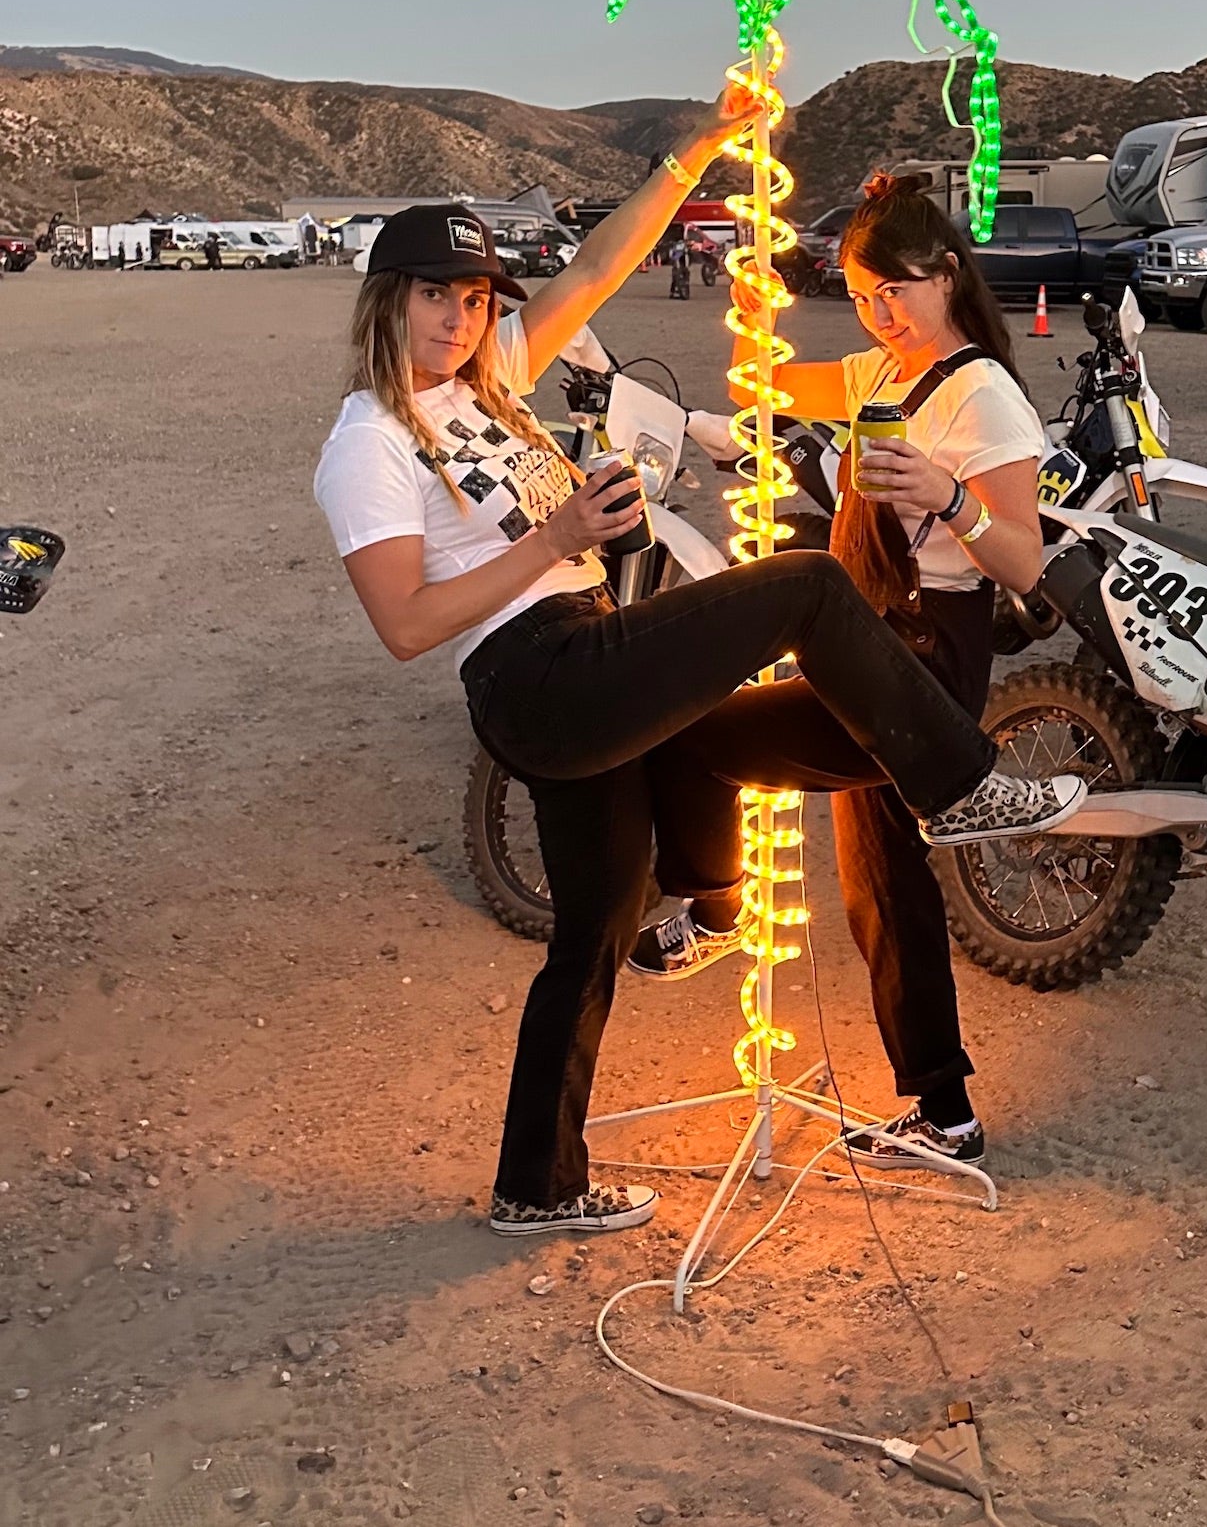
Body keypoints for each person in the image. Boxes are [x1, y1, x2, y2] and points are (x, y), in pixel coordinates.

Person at [312, 107, 1085, 1241]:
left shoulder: (497, 380)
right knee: (807, 587)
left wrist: (696, 155)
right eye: (436, 293)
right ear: (389, 300)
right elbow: (406, 623)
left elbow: (594, 263)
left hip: (577, 653)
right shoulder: (368, 440)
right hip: (541, 667)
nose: (459, 315)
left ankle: (537, 1178)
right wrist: (552, 533)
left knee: (596, 925)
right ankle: (957, 780)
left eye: (476, 296)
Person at [633, 172, 1049, 1171]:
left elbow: (1028, 565)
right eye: (862, 296)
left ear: (947, 272)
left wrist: (952, 498)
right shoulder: (881, 374)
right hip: (867, 643)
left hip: (924, 666)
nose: (880, 314)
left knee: (700, 732)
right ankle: (947, 1116)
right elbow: (765, 386)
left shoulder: (983, 392)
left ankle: (719, 906)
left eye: (894, 291)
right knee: (882, 884)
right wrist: (745, 315)